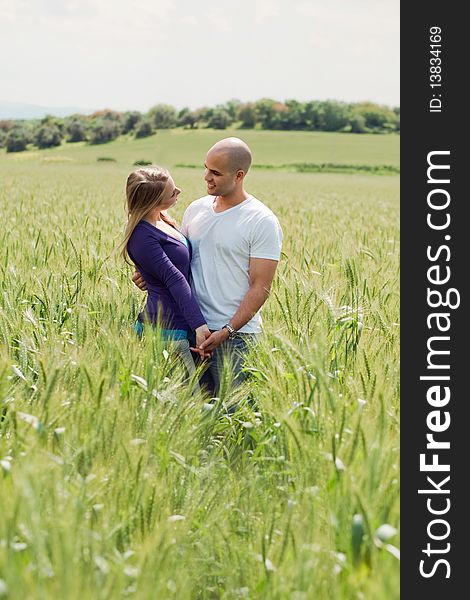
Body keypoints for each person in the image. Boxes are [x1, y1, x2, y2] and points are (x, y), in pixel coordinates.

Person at [133, 138, 283, 395]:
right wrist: (148, 274)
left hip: (235, 338)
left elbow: (261, 287)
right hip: (190, 329)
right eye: (206, 168)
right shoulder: (196, 209)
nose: (206, 177)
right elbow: (177, 261)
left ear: (238, 175)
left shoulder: (261, 220)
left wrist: (227, 330)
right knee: (193, 412)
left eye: (215, 172)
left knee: (233, 414)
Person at [120, 166, 211, 386]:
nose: (178, 191)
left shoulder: (162, 220)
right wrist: (200, 326)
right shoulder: (142, 235)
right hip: (164, 331)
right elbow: (174, 278)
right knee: (187, 401)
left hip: (181, 323)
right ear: (152, 201)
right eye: (172, 192)